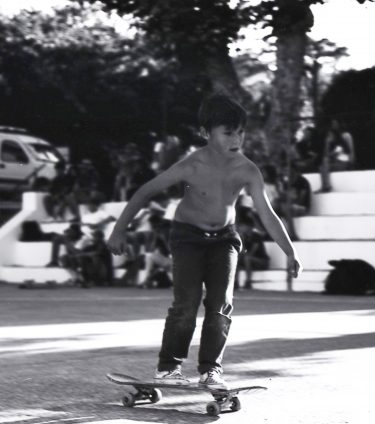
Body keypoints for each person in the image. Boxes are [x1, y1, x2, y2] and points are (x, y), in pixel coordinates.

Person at [107, 92, 302, 389]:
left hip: (224, 239)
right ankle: (169, 367)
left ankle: (211, 369)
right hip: (187, 237)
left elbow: (267, 212)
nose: (236, 139)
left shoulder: (248, 169)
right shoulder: (191, 165)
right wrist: (119, 230)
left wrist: (289, 251)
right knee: (186, 304)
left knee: (221, 304)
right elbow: (145, 191)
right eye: (227, 132)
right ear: (204, 133)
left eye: (240, 132)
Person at [314, 118, 355, 193]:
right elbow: (326, 155)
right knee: (322, 165)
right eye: (328, 136)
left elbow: (333, 155)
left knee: (324, 162)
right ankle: (325, 186)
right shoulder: (330, 144)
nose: (329, 137)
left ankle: (326, 187)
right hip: (335, 163)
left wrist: (331, 154)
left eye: (330, 135)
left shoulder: (340, 142)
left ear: (334, 135)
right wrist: (327, 143)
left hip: (343, 163)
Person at [235, 212, 270, 289]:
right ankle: (235, 282)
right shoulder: (242, 237)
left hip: (262, 261)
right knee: (237, 258)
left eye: (243, 226)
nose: (241, 228)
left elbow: (251, 253)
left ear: (249, 226)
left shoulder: (256, 236)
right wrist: (242, 239)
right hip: (250, 261)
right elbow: (242, 251)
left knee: (247, 258)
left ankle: (248, 282)